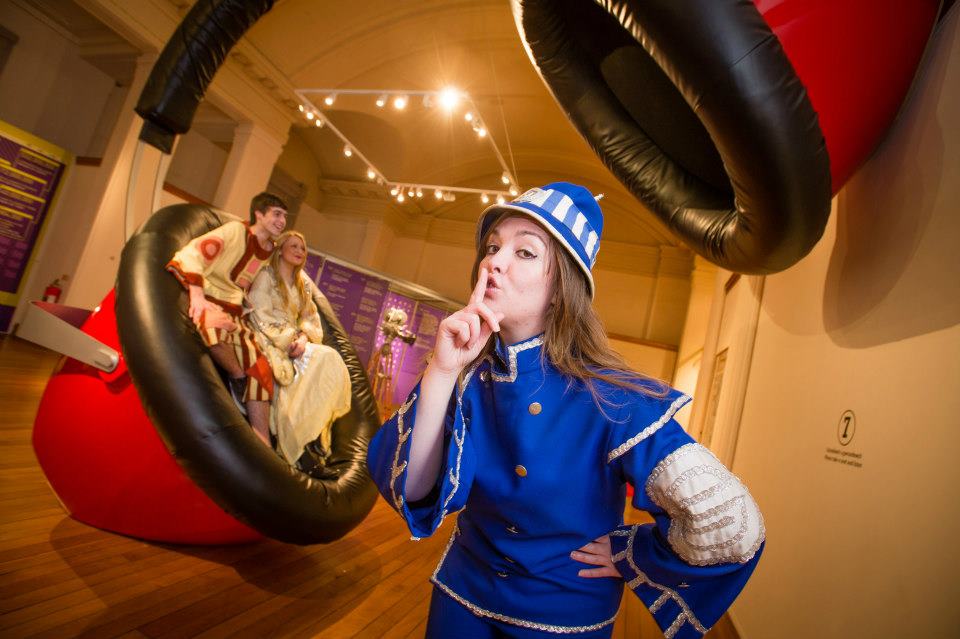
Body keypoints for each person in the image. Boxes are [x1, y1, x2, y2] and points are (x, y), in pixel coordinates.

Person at [367, 183, 764, 639]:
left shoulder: (611, 396)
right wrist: (440, 370)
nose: (494, 260)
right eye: (493, 246)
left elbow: (734, 526)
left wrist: (631, 554)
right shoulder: (468, 377)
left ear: (561, 291)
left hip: (561, 623)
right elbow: (413, 491)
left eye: (526, 252)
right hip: (459, 601)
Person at [166, 192, 288, 447]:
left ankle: (262, 441)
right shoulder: (235, 231)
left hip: (235, 309)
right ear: (259, 214)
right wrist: (197, 295)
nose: (282, 221)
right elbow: (193, 254)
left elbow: (246, 285)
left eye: (285, 216)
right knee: (213, 330)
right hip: (210, 299)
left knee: (261, 367)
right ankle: (237, 378)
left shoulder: (269, 251)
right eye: (277, 214)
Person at [246, 230, 352, 472]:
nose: (298, 251)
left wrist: (303, 337)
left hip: (297, 341)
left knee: (330, 360)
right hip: (270, 338)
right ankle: (295, 446)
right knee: (321, 360)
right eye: (293, 246)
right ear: (281, 249)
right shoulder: (266, 276)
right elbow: (260, 314)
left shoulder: (302, 282)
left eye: (302, 248)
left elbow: (310, 317)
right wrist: (288, 339)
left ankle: (310, 439)